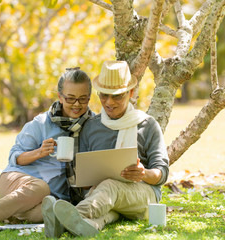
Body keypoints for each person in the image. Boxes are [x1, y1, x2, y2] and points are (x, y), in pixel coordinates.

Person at [0, 68, 94, 232]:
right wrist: (39, 152)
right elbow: (15, 157)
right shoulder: (42, 123)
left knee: (52, 210)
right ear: (60, 96)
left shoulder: (93, 125)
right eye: (70, 98)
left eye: (82, 99)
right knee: (41, 188)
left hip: (51, 198)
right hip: (18, 182)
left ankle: (3, 211)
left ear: (89, 97)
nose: (76, 105)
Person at [42, 60, 169, 237]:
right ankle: (81, 225)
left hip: (142, 196)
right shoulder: (91, 126)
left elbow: (162, 173)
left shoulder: (147, 125)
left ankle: (64, 218)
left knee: (109, 186)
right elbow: (83, 176)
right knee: (105, 211)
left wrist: (143, 173)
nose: (109, 102)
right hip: (103, 198)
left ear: (130, 93)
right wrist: (86, 181)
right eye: (104, 95)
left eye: (117, 96)